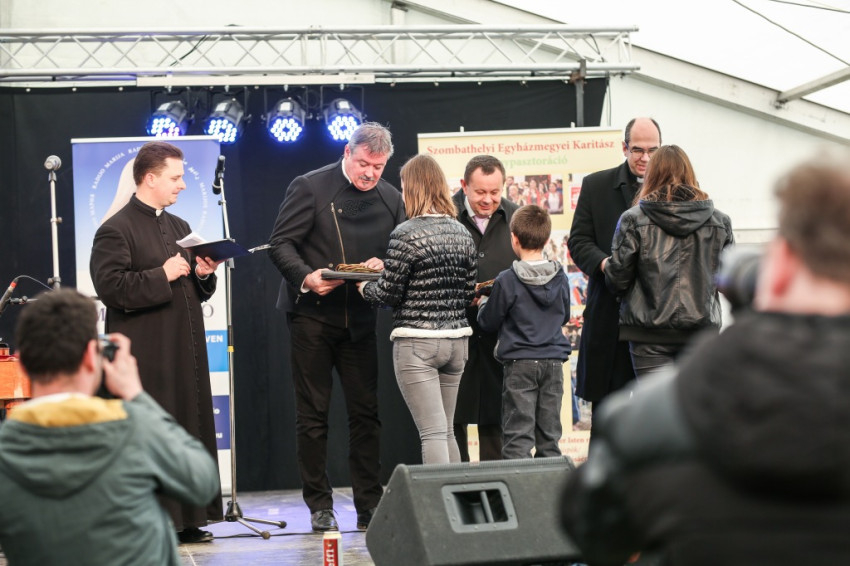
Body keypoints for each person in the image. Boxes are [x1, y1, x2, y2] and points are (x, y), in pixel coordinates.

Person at [560, 153, 850, 566]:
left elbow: (591, 522)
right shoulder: (718, 220)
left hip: (648, 335)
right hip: (700, 327)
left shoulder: (658, 413)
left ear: (780, 265)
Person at [0, 289, 219, 566]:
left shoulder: (6, 450)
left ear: (23, 363)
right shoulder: (133, 429)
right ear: (91, 357)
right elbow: (202, 482)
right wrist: (137, 395)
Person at [268, 122, 405, 532]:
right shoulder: (310, 186)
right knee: (313, 415)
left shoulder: (391, 198)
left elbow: (401, 253)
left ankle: (369, 505)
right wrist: (306, 277)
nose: (370, 174)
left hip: (360, 318)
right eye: (364, 164)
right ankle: (320, 505)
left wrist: (386, 263)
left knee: (366, 414)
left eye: (378, 167)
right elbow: (280, 244)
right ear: (347, 153)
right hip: (311, 316)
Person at [90, 140, 223, 543]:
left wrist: (204, 273)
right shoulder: (115, 229)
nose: (182, 184)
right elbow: (111, 288)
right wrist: (161, 274)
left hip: (187, 350)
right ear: (149, 179)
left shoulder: (180, 227)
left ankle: (189, 519)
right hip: (149, 353)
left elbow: (195, 289)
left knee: (187, 428)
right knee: (154, 433)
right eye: (175, 177)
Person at [357, 154, 477, 464]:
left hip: (417, 343)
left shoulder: (405, 233)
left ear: (411, 188)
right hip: (458, 343)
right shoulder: (462, 233)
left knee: (432, 434)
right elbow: (468, 293)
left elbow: (387, 294)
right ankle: (455, 494)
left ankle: (438, 497)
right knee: (447, 431)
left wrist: (363, 285)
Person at [604, 145, 734, 379]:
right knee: (694, 401)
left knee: (654, 402)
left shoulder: (633, 219)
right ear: (689, 173)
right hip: (701, 333)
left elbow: (617, 280)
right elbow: (729, 281)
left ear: (652, 175)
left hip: (647, 335)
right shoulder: (720, 222)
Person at [567, 117, 661, 425]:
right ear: (624, 148)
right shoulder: (596, 186)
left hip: (657, 322)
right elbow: (579, 241)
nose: (645, 158)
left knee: (655, 422)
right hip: (610, 316)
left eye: (652, 150)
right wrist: (607, 265)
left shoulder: (674, 191)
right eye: (637, 150)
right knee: (607, 419)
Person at [477, 205, 571, 459]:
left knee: (517, 438)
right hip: (553, 364)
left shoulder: (507, 279)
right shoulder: (560, 276)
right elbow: (564, 315)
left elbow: (488, 321)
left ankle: (519, 486)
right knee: (549, 436)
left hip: (520, 364)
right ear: (547, 239)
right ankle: (548, 485)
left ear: (514, 239)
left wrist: (484, 301)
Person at [452, 155, 519, 461]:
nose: (488, 200)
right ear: (464, 185)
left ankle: (496, 487)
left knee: (497, 419)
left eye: (495, 192)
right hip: (453, 335)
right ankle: (455, 485)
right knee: (452, 419)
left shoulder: (516, 217)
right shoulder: (444, 215)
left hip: (499, 339)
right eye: (480, 192)